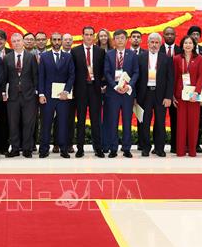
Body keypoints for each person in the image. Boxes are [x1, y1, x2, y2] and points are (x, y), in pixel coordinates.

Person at [136, 33, 173, 157]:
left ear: (160, 44)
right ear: (147, 43)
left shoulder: (166, 58)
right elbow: (136, 78)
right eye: (152, 42)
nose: (154, 45)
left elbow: (170, 79)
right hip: (145, 94)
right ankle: (145, 147)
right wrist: (135, 97)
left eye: (157, 42)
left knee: (160, 122)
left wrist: (168, 97)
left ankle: (159, 148)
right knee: (144, 122)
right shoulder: (140, 57)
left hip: (161, 95)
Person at [38, 32, 75, 158]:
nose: (57, 42)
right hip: (47, 96)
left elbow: (71, 75)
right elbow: (41, 76)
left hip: (63, 96)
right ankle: (44, 149)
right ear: (51, 41)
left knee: (63, 123)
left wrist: (66, 91)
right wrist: (41, 94)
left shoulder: (68, 57)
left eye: (59, 39)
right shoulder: (44, 56)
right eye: (54, 40)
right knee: (46, 123)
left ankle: (63, 149)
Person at [103, 30, 139, 157]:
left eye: (122, 38)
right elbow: (106, 72)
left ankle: (126, 148)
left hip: (127, 94)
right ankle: (113, 148)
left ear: (126, 39)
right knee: (113, 121)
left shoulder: (132, 55)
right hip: (113, 93)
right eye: (117, 38)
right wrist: (115, 86)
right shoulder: (109, 54)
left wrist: (128, 86)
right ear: (114, 40)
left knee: (127, 121)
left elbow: (136, 72)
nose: (120, 40)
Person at [71, 26, 106, 158]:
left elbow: (103, 71)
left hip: (95, 89)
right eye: (86, 34)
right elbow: (72, 72)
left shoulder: (100, 51)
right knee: (80, 120)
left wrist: (102, 85)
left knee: (96, 120)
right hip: (80, 90)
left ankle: (98, 148)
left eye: (91, 34)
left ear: (94, 36)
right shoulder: (75, 51)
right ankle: (80, 148)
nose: (89, 37)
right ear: (82, 36)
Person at [3, 33, 38, 158]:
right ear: (11, 43)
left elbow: (35, 76)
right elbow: (4, 77)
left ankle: (27, 149)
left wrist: (36, 92)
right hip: (12, 96)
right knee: (13, 123)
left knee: (28, 123)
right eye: (14, 41)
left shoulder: (31, 57)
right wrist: (3, 92)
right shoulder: (7, 58)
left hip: (29, 96)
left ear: (23, 42)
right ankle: (15, 148)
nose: (17, 43)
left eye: (18, 40)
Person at [173, 36, 202, 157]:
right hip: (180, 95)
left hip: (193, 96)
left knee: (193, 123)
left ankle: (192, 150)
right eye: (185, 43)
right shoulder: (176, 58)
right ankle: (180, 151)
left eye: (190, 43)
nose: (188, 45)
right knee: (181, 124)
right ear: (182, 45)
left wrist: (197, 92)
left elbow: (201, 76)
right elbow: (174, 77)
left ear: (194, 45)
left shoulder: (199, 58)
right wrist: (172, 95)